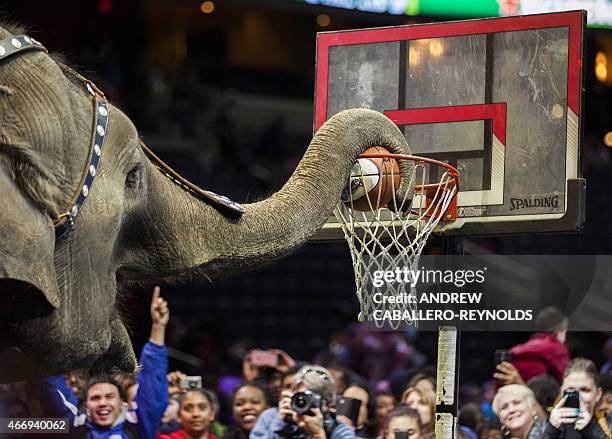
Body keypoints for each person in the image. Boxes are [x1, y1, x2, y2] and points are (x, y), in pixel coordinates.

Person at [39, 286, 169, 438]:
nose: (102, 403)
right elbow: (51, 385)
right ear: (86, 406)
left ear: (122, 403)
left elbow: (152, 387)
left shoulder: (137, 427)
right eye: (95, 398)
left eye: (109, 396)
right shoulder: (75, 428)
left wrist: (158, 327)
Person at [250, 365, 355, 439]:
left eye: (311, 397)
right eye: (300, 396)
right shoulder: (270, 418)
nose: (304, 401)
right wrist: (279, 425)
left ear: (328, 403)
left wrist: (318, 434)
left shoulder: (339, 430)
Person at [545, 358, 611, 438]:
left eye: (585, 390)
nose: (578, 396)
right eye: (571, 390)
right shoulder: (545, 424)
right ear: (561, 392)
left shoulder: (609, 423)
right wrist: (551, 431)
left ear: (598, 394)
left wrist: (590, 430)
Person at [509, 307, 570, 383]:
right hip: (540, 393)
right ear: (558, 331)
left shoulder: (514, 351)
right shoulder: (557, 349)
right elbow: (567, 382)